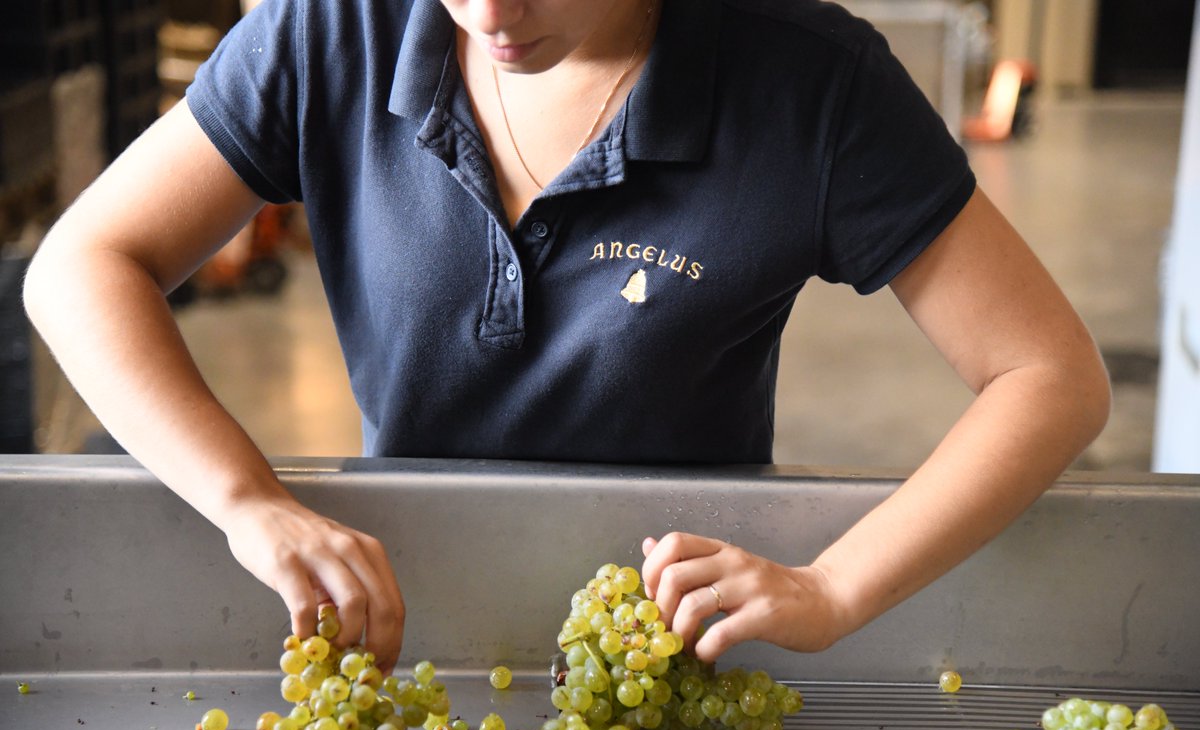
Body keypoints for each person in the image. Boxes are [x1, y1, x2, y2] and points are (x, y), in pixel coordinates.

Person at [22, 0, 1111, 676]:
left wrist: (834, 586)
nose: (490, 13)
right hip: (397, 629)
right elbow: (82, 267)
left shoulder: (809, 84)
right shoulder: (330, 32)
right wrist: (245, 497)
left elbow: (1048, 374)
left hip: (681, 651)